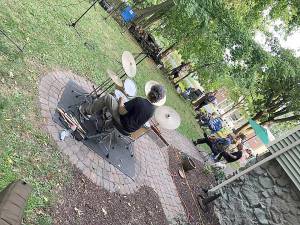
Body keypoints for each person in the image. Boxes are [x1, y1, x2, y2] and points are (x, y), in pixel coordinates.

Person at [79, 83, 166, 133]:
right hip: (130, 131)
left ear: (150, 91)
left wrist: (121, 100)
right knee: (120, 106)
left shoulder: (139, 100)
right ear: (158, 99)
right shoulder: (152, 111)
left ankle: (85, 111)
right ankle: (106, 126)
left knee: (108, 97)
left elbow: (121, 111)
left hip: (122, 123)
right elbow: (137, 116)